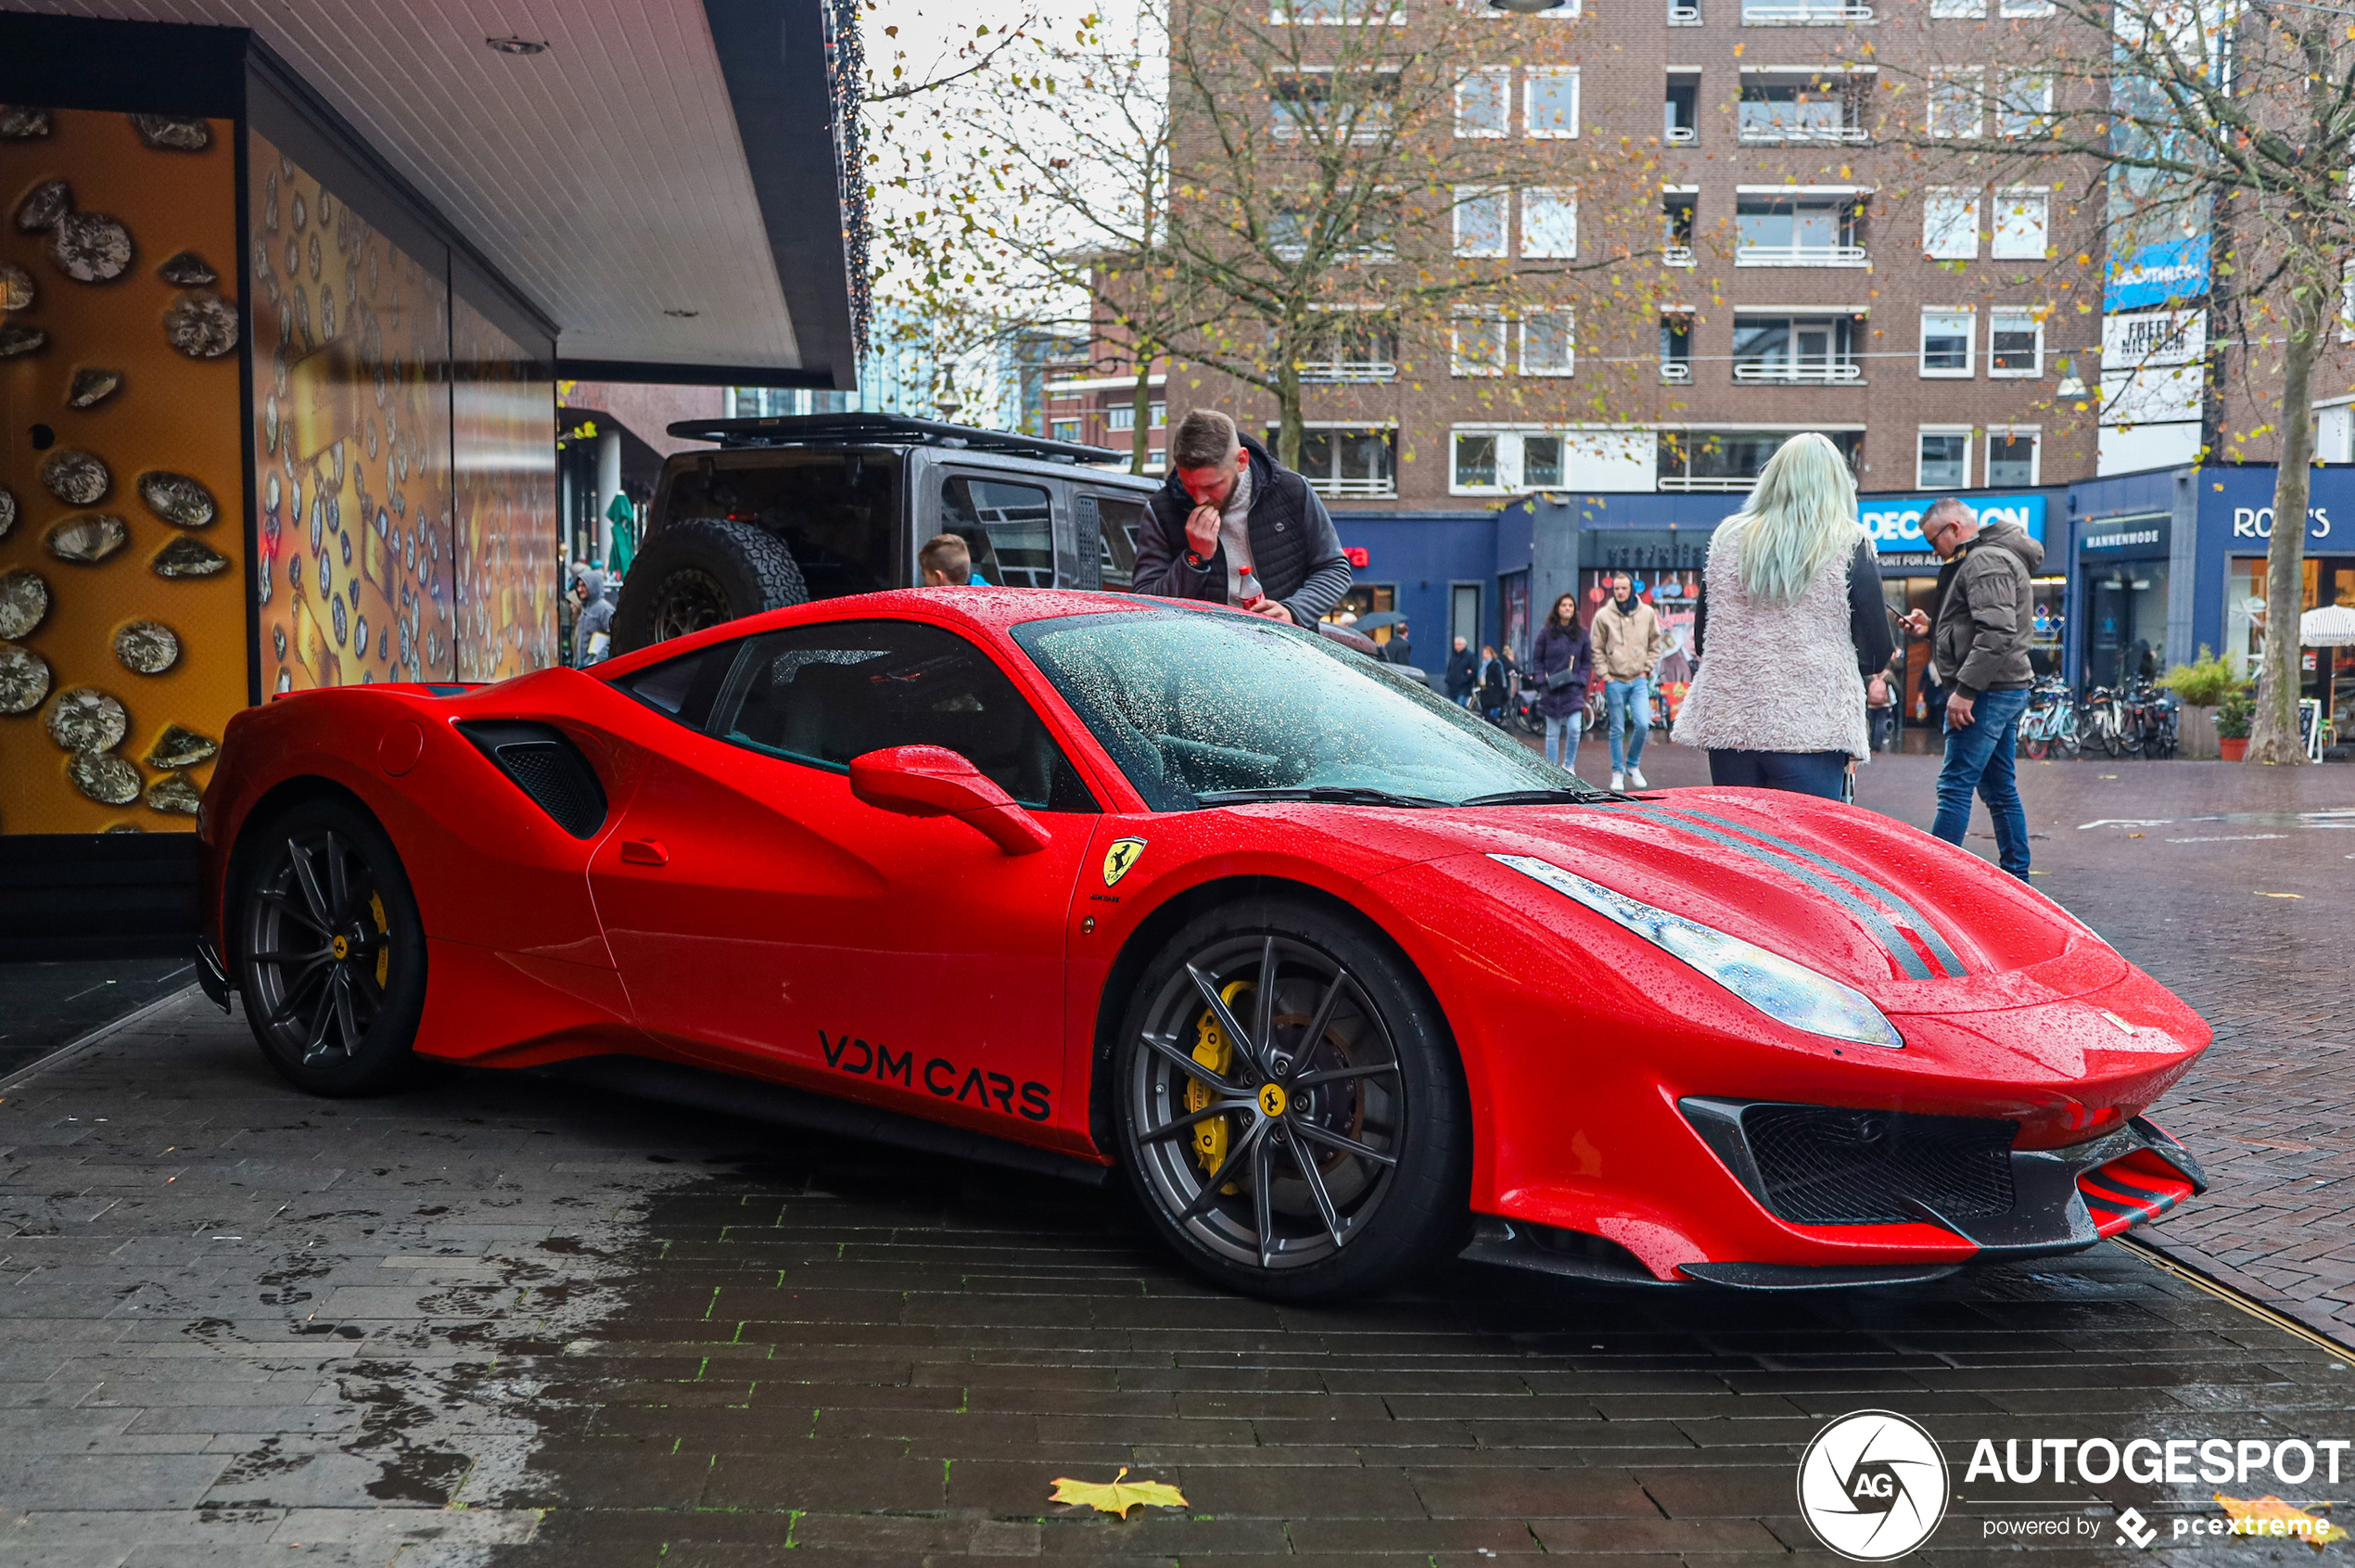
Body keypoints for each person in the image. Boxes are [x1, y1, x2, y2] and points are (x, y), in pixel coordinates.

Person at [1671, 432, 1894, 800]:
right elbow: (1875, 652)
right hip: (1811, 727)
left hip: (1733, 723)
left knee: (1741, 845)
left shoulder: (1728, 538)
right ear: (1837, 483)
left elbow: (1703, 637)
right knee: (1805, 848)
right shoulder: (1850, 542)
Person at [1899, 496, 2043, 880]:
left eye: (1935, 542)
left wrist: (1965, 690)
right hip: (2000, 686)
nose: (1934, 552)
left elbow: (1997, 632)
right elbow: (1978, 626)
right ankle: (2018, 878)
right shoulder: (1986, 557)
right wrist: (1930, 629)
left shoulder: (1984, 561)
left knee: (1955, 785)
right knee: (1998, 790)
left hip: (1988, 691)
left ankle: (1933, 884)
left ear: (1954, 529)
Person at [1133, 409, 1352, 625]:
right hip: (1201, 655)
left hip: (1286, 652)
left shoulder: (1291, 490)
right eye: (1188, 485)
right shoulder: (1162, 508)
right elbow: (1146, 604)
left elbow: (1334, 569)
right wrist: (1195, 558)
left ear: (1242, 460)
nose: (1200, 499)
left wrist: (1293, 611)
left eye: (1212, 486)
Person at [1590, 571, 1667, 790]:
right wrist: (1606, 675)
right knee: (1617, 729)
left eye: (1624, 588)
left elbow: (1655, 643)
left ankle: (1633, 765)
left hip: (1638, 680)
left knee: (1643, 724)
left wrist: (1647, 669)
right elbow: (1596, 648)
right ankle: (1617, 771)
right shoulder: (1603, 615)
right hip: (1615, 680)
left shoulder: (1647, 613)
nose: (1620, 592)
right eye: (1616, 589)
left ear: (1632, 589)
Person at [1531, 593, 1594, 774]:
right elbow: (1537, 659)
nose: (1567, 608)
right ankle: (1552, 770)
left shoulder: (1582, 634)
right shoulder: (1546, 633)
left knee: (1575, 728)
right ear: (1557, 609)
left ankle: (1569, 765)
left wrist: (1581, 679)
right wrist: (1541, 680)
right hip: (1551, 688)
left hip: (1573, 689)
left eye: (1571, 606)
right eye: (1564, 605)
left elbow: (1586, 661)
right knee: (1552, 732)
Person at [569, 567, 615, 666]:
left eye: (584, 585)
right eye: (578, 586)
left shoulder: (604, 609)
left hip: (597, 668)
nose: (579, 589)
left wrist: (598, 660)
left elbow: (615, 637)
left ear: (593, 586)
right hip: (583, 667)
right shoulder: (585, 609)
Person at [1445, 636, 1479, 707]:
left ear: (1464, 645)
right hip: (1452, 688)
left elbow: (1474, 671)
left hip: (1464, 689)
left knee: (1460, 707)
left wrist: (1464, 679)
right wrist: (1448, 679)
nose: (1457, 646)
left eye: (1459, 644)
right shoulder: (1453, 656)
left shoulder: (1470, 656)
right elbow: (1450, 669)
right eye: (1456, 644)